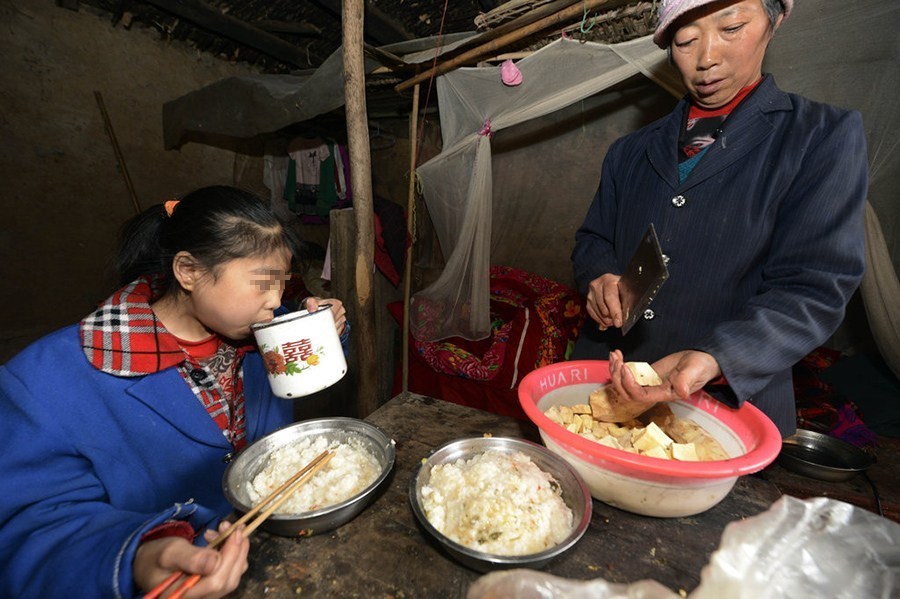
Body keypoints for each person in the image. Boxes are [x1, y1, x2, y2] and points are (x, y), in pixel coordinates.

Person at [0, 186, 348, 598]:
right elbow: (26, 531)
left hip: (268, 551)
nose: (276, 301)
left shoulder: (260, 330)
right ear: (188, 271)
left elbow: (309, 363)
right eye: (262, 284)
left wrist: (330, 329)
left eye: (282, 282)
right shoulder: (45, 382)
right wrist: (136, 557)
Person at [570, 0, 868, 436]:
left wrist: (718, 356)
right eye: (686, 40)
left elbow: (814, 288)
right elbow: (593, 239)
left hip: (721, 415)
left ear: (775, 19)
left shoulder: (821, 139)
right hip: (603, 389)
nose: (707, 57)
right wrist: (599, 277)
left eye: (731, 27)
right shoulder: (630, 151)